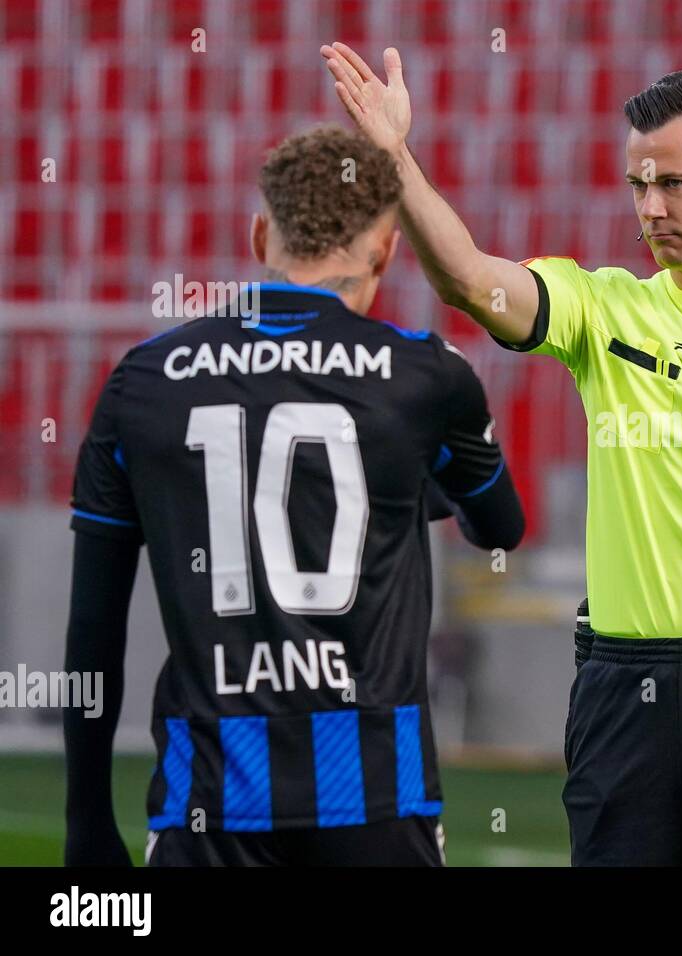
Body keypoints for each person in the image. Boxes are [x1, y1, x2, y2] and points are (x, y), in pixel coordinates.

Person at [322, 43, 682, 866]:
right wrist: (394, 158)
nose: (650, 207)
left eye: (673, 182)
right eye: (638, 184)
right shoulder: (605, 312)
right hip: (619, 690)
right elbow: (466, 280)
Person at [62, 125, 524, 867]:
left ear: (257, 235)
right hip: (378, 798)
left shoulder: (144, 381)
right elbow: (500, 527)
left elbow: (92, 628)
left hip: (208, 803)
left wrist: (84, 822)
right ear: (386, 249)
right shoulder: (426, 377)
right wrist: (402, 491)